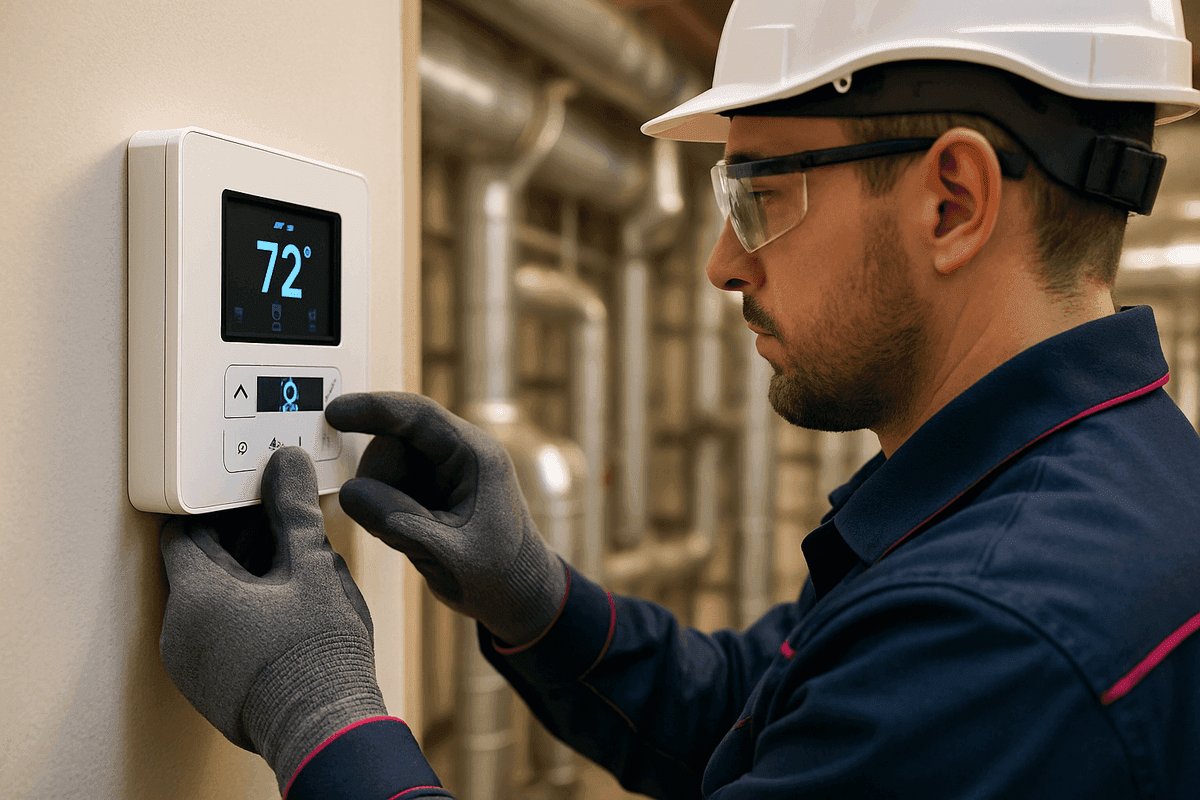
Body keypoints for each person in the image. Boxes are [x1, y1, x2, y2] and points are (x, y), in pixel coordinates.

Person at [158, 1, 1200, 797]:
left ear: (952, 202)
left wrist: (321, 717)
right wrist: (537, 602)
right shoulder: (1093, 487)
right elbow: (763, 706)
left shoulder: (997, 637)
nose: (722, 263)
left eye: (761, 194)